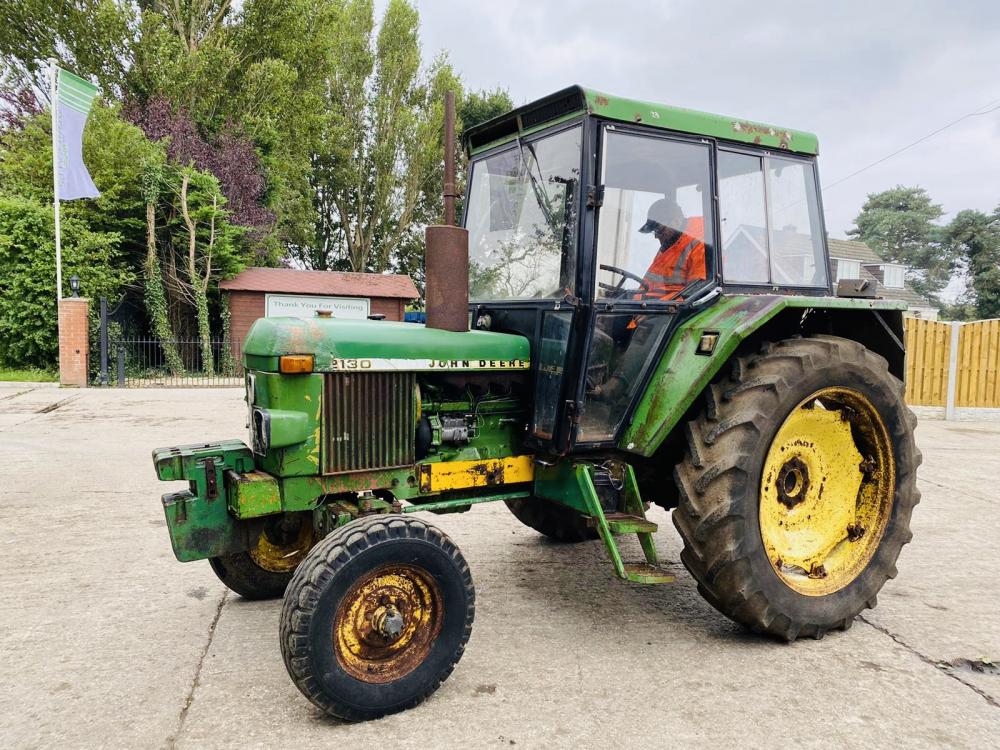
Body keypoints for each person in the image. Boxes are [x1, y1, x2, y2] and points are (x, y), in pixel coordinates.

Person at [635, 197, 707, 300]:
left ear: (676, 222)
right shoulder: (667, 247)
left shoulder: (700, 248)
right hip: (650, 308)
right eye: (654, 231)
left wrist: (657, 306)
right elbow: (647, 287)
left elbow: (696, 293)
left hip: (672, 311)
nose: (656, 236)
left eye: (659, 229)